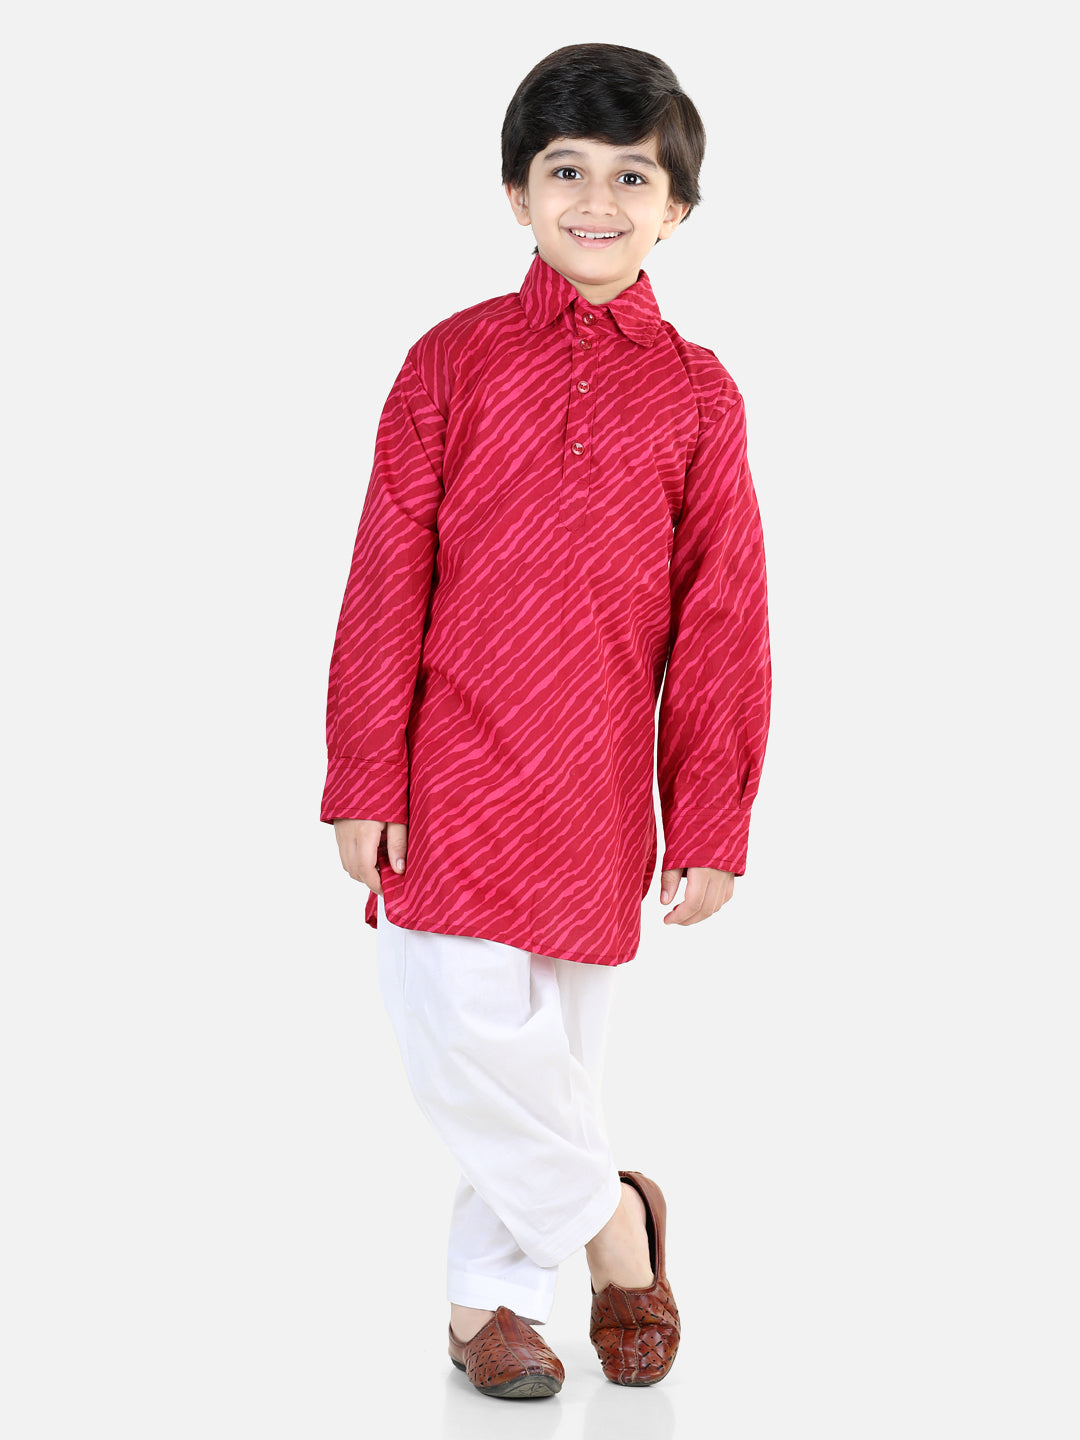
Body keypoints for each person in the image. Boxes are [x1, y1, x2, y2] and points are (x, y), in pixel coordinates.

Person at [320, 42, 771, 1399]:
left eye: (633, 177)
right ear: (516, 193)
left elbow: (724, 619)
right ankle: (618, 1231)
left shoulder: (699, 394)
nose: (597, 200)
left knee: (554, 1062)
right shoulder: (450, 362)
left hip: (593, 781)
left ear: (677, 209)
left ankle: (492, 1308)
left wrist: (711, 818)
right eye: (566, 170)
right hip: (449, 764)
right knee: (464, 1037)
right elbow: (386, 571)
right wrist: (364, 769)